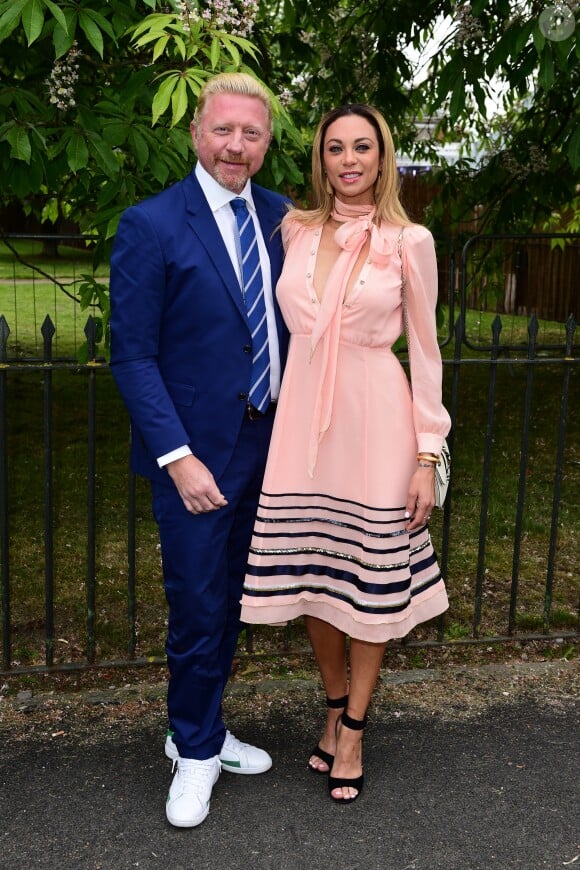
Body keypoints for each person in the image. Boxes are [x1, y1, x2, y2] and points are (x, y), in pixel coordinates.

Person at [240, 104, 451, 803]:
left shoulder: (408, 240)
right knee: (314, 580)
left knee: (367, 583)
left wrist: (428, 453)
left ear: (383, 157)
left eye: (364, 147)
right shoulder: (294, 231)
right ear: (321, 159)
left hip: (378, 425)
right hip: (302, 426)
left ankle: (356, 727)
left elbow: (425, 352)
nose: (350, 159)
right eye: (336, 147)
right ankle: (332, 710)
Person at [109, 72, 291, 828]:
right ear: (195, 133)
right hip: (195, 457)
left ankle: (205, 729)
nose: (236, 146)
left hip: (272, 448)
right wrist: (177, 458)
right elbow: (133, 356)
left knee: (236, 603)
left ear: (266, 144)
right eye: (224, 130)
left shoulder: (284, 219)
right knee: (197, 604)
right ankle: (192, 748)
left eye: (251, 134)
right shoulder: (151, 225)